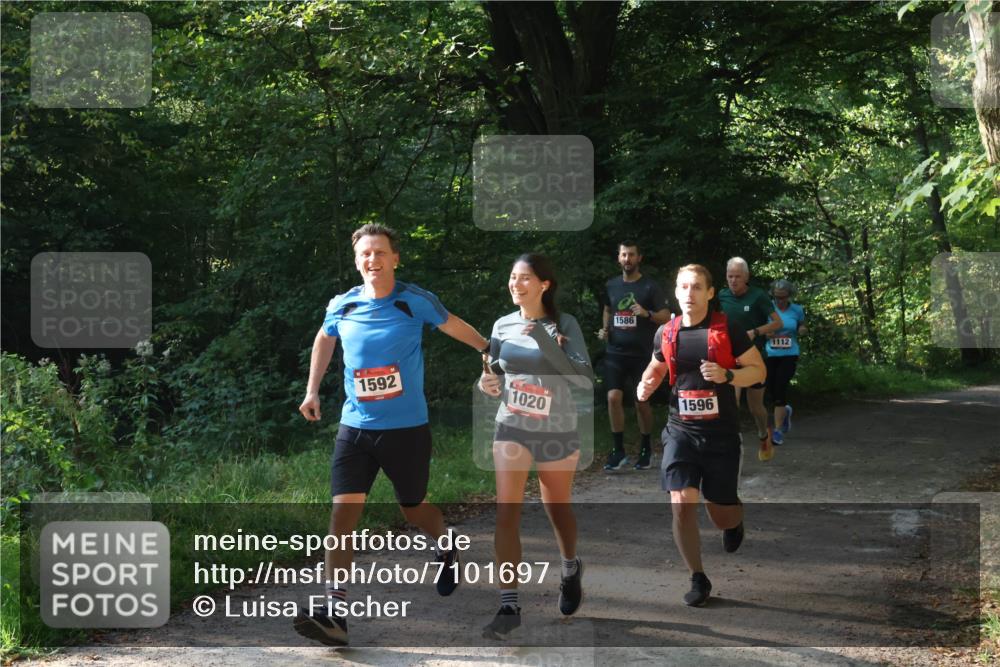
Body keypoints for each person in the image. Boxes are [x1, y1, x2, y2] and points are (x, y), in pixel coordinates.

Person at [294, 223, 490, 646]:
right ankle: (334, 611)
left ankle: (446, 542)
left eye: (380, 252)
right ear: (357, 260)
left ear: (395, 258)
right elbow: (324, 340)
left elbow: (453, 324)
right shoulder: (343, 305)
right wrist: (312, 390)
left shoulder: (412, 300)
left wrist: (487, 349)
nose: (373, 260)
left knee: (413, 508)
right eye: (365, 253)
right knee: (342, 515)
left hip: (406, 430)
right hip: (355, 427)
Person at [477, 253, 593, 639]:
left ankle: (570, 565)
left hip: (556, 429)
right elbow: (491, 372)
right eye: (512, 277)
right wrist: (487, 384)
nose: (516, 284)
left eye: (524, 278)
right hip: (511, 425)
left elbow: (583, 379)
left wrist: (545, 339)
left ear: (544, 284)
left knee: (556, 507)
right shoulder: (502, 324)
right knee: (506, 512)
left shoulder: (566, 324)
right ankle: (508, 604)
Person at [637, 264, 765, 607]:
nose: (689, 293)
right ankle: (697, 576)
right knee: (680, 502)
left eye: (696, 287)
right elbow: (657, 366)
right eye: (683, 287)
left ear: (710, 293)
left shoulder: (729, 329)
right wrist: (645, 383)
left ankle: (734, 521)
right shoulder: (666, 332)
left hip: (721, 435)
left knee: (720, 512)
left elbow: (757, 370)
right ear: (676, 292)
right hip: (681, 431)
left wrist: (727, 375)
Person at [597, 242, 671, 471]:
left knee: (641, 403)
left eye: (631, 255)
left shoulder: (650, 287)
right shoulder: (611, 285)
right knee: (613, 398)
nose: (627, 258)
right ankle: (618, 451)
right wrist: (605, 329)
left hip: (642, 355)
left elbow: (667, 316)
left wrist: (646, 313)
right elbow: (608, 309)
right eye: (623, 254)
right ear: (618, 258)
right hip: (615, 353)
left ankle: (646, 447)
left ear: (639, 258)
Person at [717, 257, 782, 461]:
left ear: (746, 277)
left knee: (756, 407)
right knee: (732, 400)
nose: (733, 280)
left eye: (737, 276)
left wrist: (755, 332)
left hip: (755, 358)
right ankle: (731, 446)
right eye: (730, 276)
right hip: (732, 357)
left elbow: (777, 323)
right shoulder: (722, 295)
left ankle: (763, 434)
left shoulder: (758, 296)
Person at [765, 279, 806, 445]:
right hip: (771, 353)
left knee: (781, 385)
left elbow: (802, 326)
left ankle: (777, 431)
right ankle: (785, 414)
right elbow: (762, 327)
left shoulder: (797, 310)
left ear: (789, 296)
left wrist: (802, 330)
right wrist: (768, 334)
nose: (780, 301)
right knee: (772, 388)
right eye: (777, 297)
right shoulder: (768, 308)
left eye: (783, 297)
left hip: (790, 353)